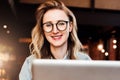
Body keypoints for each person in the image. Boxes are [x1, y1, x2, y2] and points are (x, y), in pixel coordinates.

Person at [19, 0, 91, 80]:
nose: (55, 31)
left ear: (70, 26)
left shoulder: (85, 61)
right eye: (48, 25)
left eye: (61, 23)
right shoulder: (30, 63)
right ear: (43, 29)